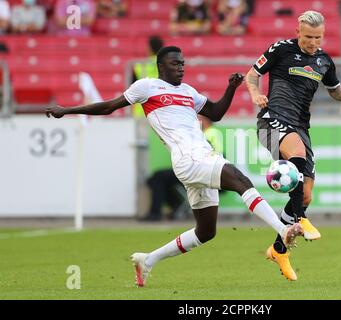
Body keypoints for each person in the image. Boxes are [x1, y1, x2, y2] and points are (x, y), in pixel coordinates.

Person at [45, 46, 303, 287]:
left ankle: (147, 260)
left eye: (183, 64)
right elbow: (109, 106)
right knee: (240, 180)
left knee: (206, 231)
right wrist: (67, 110)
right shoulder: (146, 87)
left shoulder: (188, 91)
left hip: (199, 157)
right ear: (161, 66)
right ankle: (283, 230)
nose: (181, 68)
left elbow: (214, 113)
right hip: (189, 158)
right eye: (175, 64)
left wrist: (231, 89)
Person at [245, 11, 341, 281]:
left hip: (301, 127)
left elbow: (335, 90)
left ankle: (279, 249)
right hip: (272, 120)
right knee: (297, 154)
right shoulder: (280, 49)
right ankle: (300, 219)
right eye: (308, 37)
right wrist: (256, 94)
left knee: (305, 195)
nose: (313, 42)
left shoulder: (324, 61)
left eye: (318, 37)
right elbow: (252, 75)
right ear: (298, 32)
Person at [132, 35, 164, 117]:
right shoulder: (167, 66)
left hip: (141, 112)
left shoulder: (139, 66)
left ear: (149, 48)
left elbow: (131, 92)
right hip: (161, 111)